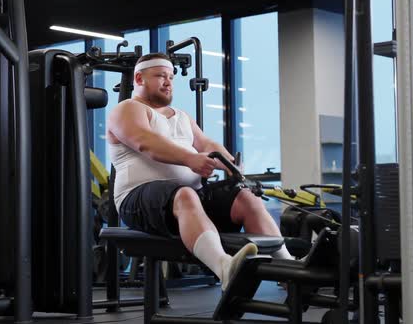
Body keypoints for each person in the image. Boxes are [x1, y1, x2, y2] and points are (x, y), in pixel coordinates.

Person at [106, 52, 293, 290]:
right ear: (140, 79)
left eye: (171, 77)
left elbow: (206, 144)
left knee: (244, 196)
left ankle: (287, 270)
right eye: (161, 76)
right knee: (184, 194)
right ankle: (225, 267)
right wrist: (190, 159)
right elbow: (146, 142)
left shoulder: (182, 116)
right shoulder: (127, 109)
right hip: (137, 200)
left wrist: (229, 163)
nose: (168, 82)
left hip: (188, 200)